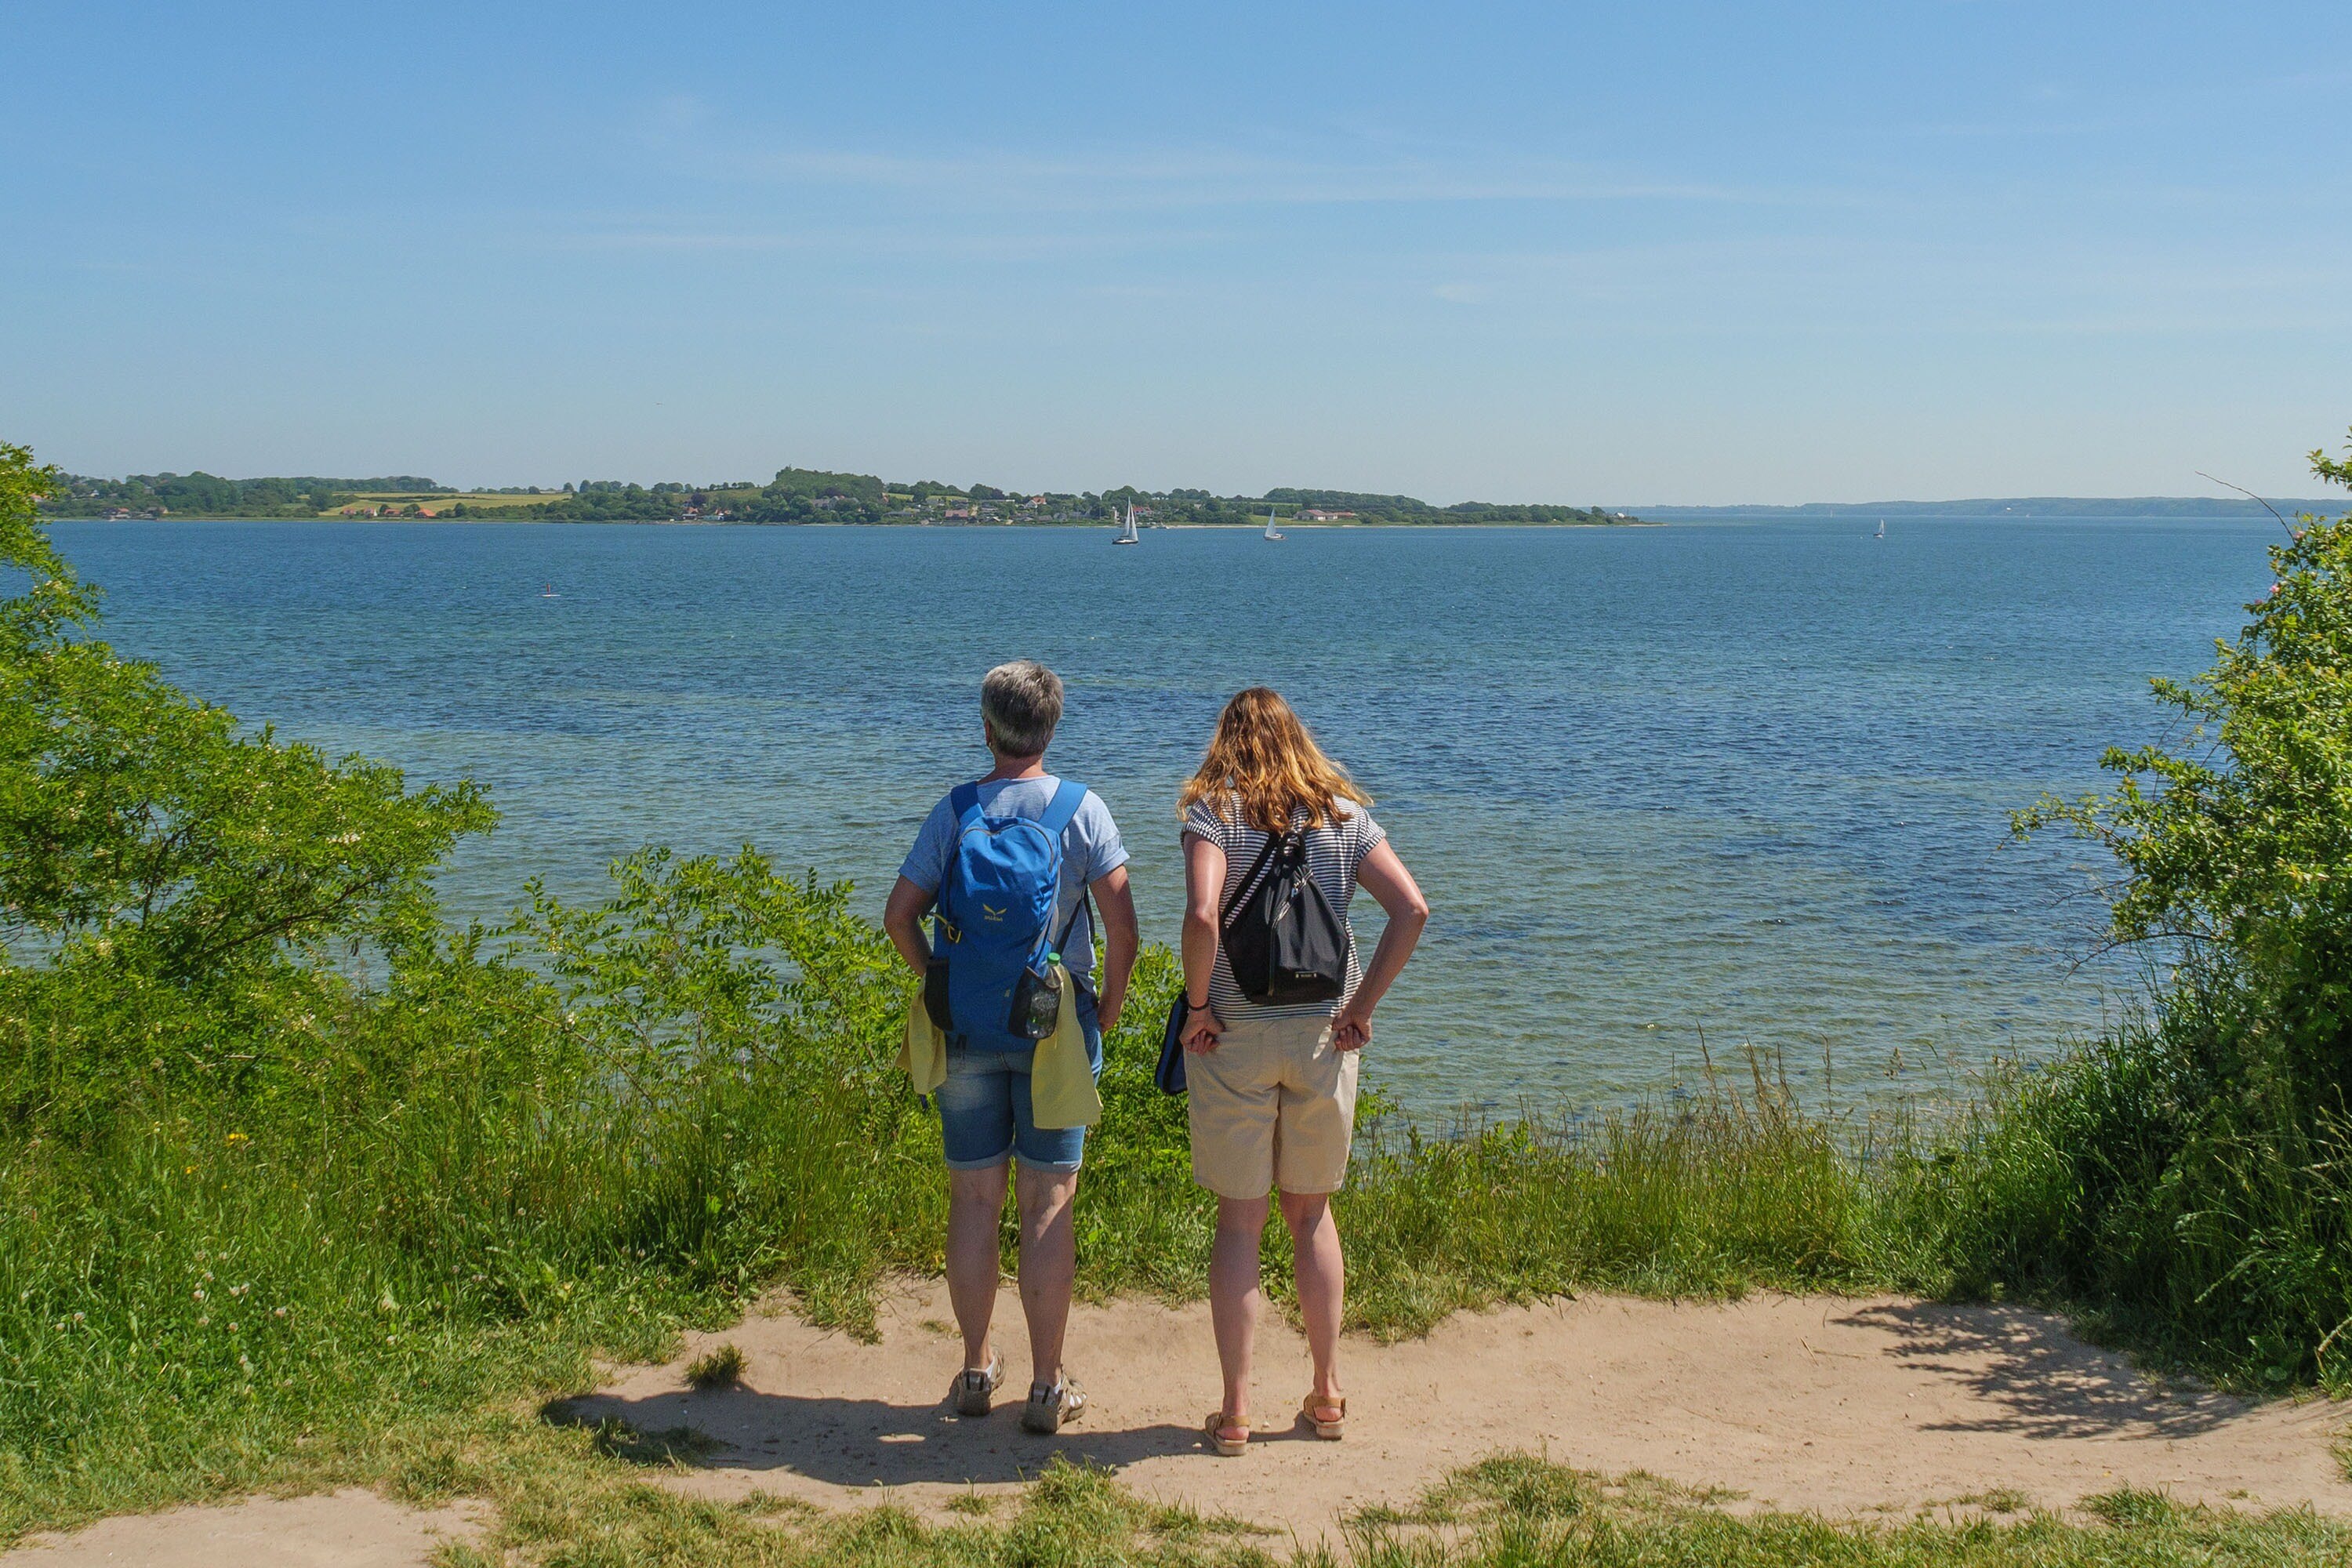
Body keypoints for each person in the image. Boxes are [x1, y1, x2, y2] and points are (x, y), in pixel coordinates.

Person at [884, 660, 1139, 1434]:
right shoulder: (1081, 809)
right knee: (1047, 1199)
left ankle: (971, 1367)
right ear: (1052, 728)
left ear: (987, 727)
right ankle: (1047, 1385)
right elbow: (1124, 928)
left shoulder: (955, 809)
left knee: (973, 1197)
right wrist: (1111, 1004)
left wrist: (941, 978)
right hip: (1056, 1025)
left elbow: (900, 916)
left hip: (967, 1026)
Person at [1178, 688, 1428, 1456]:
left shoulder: (1214, 809)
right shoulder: (1344, 817)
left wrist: (1197, 1007)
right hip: (1325, 1035)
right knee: (1311, 1213)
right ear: (1299, 738)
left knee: (1240, 1219)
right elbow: (1411, 908)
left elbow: (1201, 917)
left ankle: (1236, 1409)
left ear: (1226, 739)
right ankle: (1325, 1393)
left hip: (1233, 1038)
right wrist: (1362, 1005)